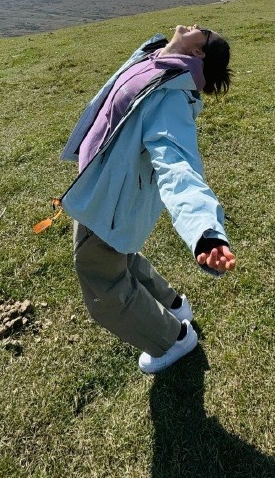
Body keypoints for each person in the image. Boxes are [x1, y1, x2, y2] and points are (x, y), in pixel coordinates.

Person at [59, 24, 236, 374]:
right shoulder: (161, 60)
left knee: (100, 276)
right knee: (119, 255)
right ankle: (173, 303)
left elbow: (178, 165)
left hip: (109, 199)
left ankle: (173, 339)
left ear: (197, 52)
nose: (190, 25)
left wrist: (205, 229)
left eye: (200, 30)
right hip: (107, 184)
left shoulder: (170, 97)